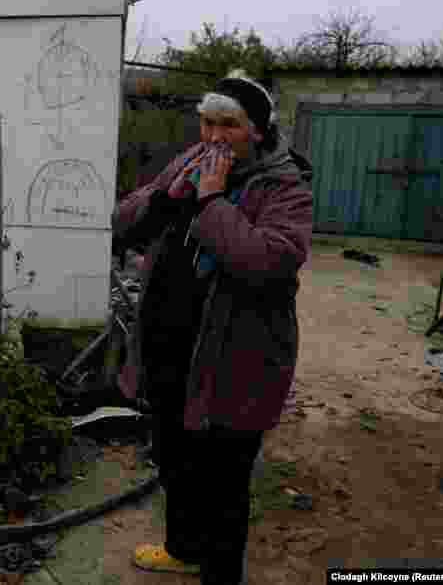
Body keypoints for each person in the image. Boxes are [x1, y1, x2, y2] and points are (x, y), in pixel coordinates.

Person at [111, 70, 314, 585]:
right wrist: (167, 200)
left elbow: (267, 260)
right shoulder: (192, 161)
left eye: (230, 126)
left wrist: (210, 202)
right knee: (175, 463)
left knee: (223, 485)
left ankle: (219, 575)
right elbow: (124, 220)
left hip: (235, 358)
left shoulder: (284, 186)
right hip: (169, 347)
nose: (215, 138)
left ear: (259, 131)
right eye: (208, 123)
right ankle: (183, 548)